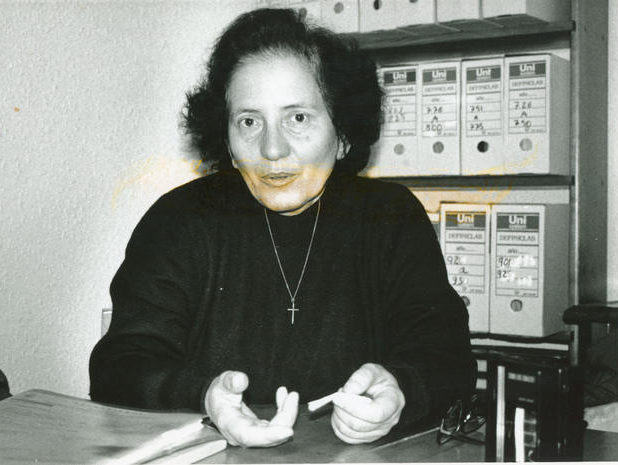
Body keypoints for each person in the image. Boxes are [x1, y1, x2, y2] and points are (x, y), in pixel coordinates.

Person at [89, 7, 475, 448]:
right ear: (227, 140)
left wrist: (401, 391)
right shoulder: (178, 220)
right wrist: (204, 397)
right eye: (249, 121)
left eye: (298, 118)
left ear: (343, 133)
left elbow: (449, 360)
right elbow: (118, 368)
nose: (272, 149)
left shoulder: (391, 217)